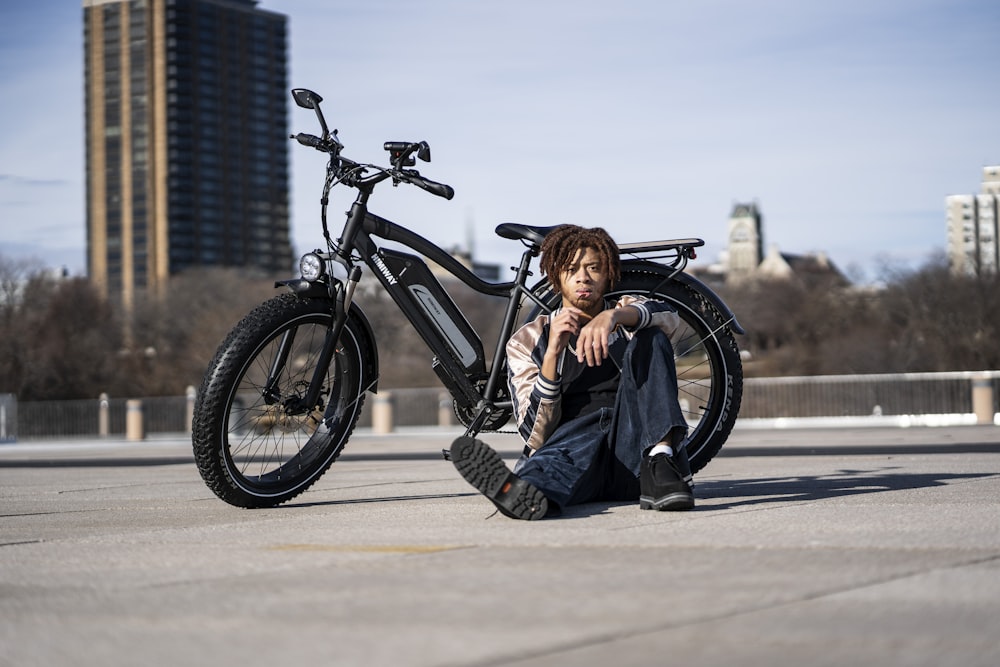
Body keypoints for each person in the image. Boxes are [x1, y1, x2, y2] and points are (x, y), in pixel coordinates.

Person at [450, 224, 694, 520]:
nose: (583, 277)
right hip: (575, 446)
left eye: (594, 268)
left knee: (651, 335)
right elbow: (534, 434)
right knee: (548, 462)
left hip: (633, 447)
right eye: (571, 269)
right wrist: (552, 352)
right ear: (556, 277)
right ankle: (523, 492)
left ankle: (662, 462)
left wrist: (614, 316)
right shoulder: (528, 340)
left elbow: (669, 316)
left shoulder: (625, 312)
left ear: (608, 276)